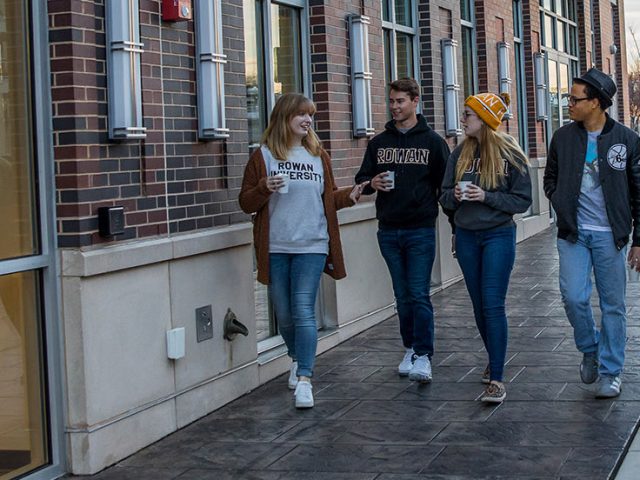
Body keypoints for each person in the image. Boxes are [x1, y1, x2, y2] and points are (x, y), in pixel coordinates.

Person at [239, 93, 367, 409]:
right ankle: (295, 357)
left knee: (303, 309)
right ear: (284, 118)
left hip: (312, 244)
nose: (307, 120)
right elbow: (245, 203)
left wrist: (348, 196)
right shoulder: (264, 156)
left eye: (310, 115)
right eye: (301, 115)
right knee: (283, 313)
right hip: (277, 247)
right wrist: (263, 188)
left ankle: (306, 379)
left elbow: (326, 198)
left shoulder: (317, 155)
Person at [543, 67, 640, 399]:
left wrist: (637, 240)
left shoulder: (626, 140)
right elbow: (551, 178)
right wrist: (558, 200)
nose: (569, 103)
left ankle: (611, 372)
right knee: (573, 296)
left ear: (596, 102)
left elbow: (639, 193)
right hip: (574, 234)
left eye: (575, 98)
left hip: (611, 236)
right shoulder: (563, 137)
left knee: (613, 306)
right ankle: (590, 347)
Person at [355, 78, 450, 383]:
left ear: (415, 102)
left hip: (421, 229)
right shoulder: (379, 143)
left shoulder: (434, 142)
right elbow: (362, 178)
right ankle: (409, 347)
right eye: (392, 102)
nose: (395, 107)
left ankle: (424, 355)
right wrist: (372, 184)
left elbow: (444, 184)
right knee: (402, 294)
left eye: (400, 101)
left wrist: (454, 223)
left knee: (419, 293)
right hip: (389, 230)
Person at [439, 92, 531, 403]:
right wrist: (457, 198)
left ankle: (498, 379)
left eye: (468, 114)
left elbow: (522, 200)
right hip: (466, 237)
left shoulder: (511, 154)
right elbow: (444, 195)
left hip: (498, 236)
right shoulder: (459, 152)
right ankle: (494, 359)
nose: (463, 119)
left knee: (493, 304)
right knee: (479, 306)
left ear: (485, 120)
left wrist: (485, 197)